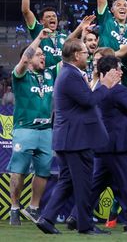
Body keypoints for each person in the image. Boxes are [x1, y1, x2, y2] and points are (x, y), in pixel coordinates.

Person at [36, 38, 117, 235]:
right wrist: (105, 84)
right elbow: (89, 101)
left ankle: (46, 219)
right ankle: (85, 225)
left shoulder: (70, 73)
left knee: (67, 182)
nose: (88, 56)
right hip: (76, 140)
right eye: (85, 53)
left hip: (70, 138)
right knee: (83, 184)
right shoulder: (70, 75)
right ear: (76, 55)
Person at [85, 55, 127, 233]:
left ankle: (77, 216)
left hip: (105, 146)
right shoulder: (117, 90)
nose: (121, 71)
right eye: (118, 68)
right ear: (110, 71)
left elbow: (122, 106)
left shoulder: (101, 88)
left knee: (96, 185)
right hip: (119, 146)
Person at [8, 29, 56, 226]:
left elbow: (69, 59)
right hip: (25, 129)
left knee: (43, 171)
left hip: (46, 131)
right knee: (18, 170)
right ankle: (14, 208)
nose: (42, 56)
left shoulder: (50, 75)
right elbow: (27, 57)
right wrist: (38, 38)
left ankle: (33, 208)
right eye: (38, 54)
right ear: (27, 59)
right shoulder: (20, 75)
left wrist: (80, 31)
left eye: (43, 54)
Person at [21, 0, 67, 66]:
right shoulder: (38, 30)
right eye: (48, 17)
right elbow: (26, 11)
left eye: (54, 16)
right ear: (42, 21)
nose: (52, 18)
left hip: (61, 77)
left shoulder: (63, 36)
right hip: (44, 75)